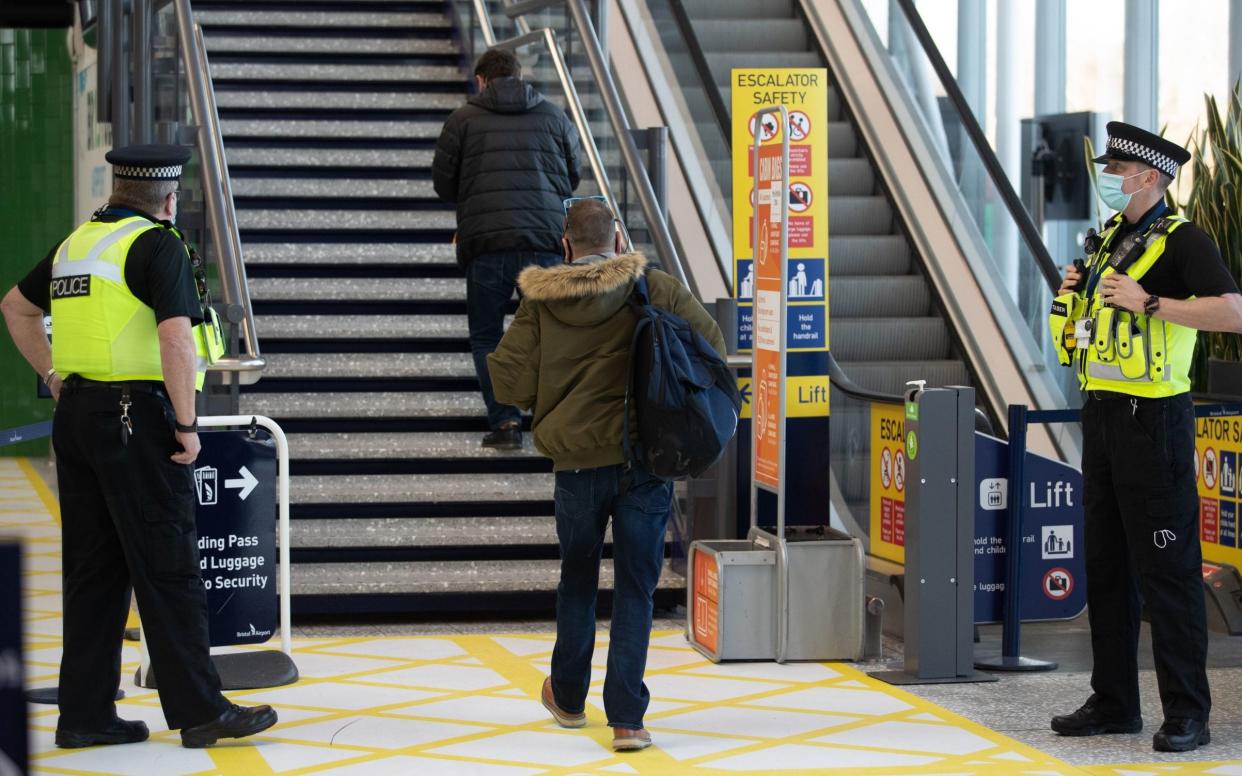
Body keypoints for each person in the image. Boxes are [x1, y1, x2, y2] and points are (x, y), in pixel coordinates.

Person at [0, 144, 277, 749]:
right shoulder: (158, 244)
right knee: (168, 566)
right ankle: (202, 711)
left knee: (93, 570)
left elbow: (15, 308)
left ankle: (86, 715)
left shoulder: (77, 245)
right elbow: (177, 338)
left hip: (77, 418)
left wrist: (52, 374)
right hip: (137, 420)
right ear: (170, 198)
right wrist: (186, 423)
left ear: (118, 188)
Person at [487, 199, 725, 752]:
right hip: (645, 461)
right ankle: (627, 720)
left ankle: (568, 699)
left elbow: (508, 382)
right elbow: (710, 341)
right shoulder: (652, 286)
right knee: (637, 588)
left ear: (565, 245)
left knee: (577, 578)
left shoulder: (542, 301)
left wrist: (554, 382)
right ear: (617, 239)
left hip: (576, 464)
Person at [1048, 122, 1242, 752]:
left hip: (1153, 422)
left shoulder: (1183, 240)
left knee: (1169, 570)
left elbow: (1233, 313)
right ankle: (1113, 701)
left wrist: (1149, 303)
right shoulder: (1109, 240)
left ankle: (1188, 711)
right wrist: (1071, 299)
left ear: (1150, 177)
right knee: (1105, 567)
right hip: (1102, 416)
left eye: (1118, 167)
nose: (1109, 175)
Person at [433, 47, 582, 450]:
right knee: (553, 333)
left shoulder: (462, 120)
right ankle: (555, 423)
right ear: (520, 76)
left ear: (482, 80)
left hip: (487, 245)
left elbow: (444, 186)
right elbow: (573, 176)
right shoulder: (554, 116)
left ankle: (505, 423)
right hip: (545, 244)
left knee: (486, 336)